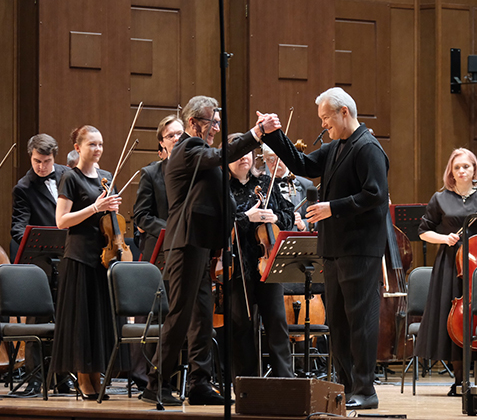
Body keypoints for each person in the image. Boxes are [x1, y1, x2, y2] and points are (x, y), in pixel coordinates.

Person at [142, 95, 280, 406]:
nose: (216, 128)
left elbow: (221, 200)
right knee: (180, 315)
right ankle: (156, 382)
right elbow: (220, 156)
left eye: (218, 122)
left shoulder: (202, 155)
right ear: (193, 122)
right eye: (211, 122)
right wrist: (256, 133)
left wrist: (239, 216)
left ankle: (199, 384)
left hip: (202, 244)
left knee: (202, 318)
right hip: (186, 242)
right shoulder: (188, 148)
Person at [263, 87, 389, 410]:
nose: (323, 125)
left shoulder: (368, 147)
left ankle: (366, 390)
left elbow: (375, 194)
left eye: (325, 118)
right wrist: (274, 135)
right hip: (334, 248)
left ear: (344, 112)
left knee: (359, 321)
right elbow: (303, 164)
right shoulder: (336, 147)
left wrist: (332, 207)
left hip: (360, 249)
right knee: (338, 322)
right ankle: (347, 387)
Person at [416, 147, 477, 396]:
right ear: (451, 171)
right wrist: (444, 238)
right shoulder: (440, 198)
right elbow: (423, 231)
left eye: (466, 166)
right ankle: (460, 381)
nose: (462, 171)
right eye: (457, 167)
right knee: (454, 319)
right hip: (451, 264)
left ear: (475, 169)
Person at [51, 125, 122, 400]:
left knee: (98, 321)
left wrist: (111, 209)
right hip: (79, 257)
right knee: (83, 320)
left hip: (103, 258)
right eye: (92, 144)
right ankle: (83, 378)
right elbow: (61, 221)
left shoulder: (106, 178)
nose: (98, 149)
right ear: (78, 148)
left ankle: (96, 375)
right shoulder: (70, 177)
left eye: (100, 144)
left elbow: (111, 218)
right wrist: (95, 207)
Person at [10, 133, 72, 396]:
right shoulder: (24, 187)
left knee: (65, 318)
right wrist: (39, 238)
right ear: (30, 156)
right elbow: (17, 228)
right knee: (39, 318)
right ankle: (35, 378)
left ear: (54, 158)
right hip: (41, 262)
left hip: (68, 257)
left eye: (46, 161)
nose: (42, 166)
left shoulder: (68, 175)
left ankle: (63, 377)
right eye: (37, 161)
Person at [228, 134, 294, 378]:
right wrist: (247, 217)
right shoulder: (222, 188)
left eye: (247, 152)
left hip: (268, 265)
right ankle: (247, 383)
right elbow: (220, 223)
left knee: (277, 324)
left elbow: (289, 215)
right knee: (242, 327)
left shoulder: (267, 182)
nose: (243, 157)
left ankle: (285, 381)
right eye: (237, 154)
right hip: (238, 265)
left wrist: (275, 217)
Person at [133, 115, 183, 266]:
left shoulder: (199, 170)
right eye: (170, 136)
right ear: (162, 143)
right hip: (161, 248)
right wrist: (171, 230)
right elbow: (141, 215)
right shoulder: (151, 173)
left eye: (180, 134)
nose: (176, 138)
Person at [262, 144, 315, 231]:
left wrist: (303, 224)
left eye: (279, 159)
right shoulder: (260, 185)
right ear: (264, 159)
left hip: (296, 237)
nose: (275, 163)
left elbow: (317, 218)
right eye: (270, 159)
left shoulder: (306, 185)